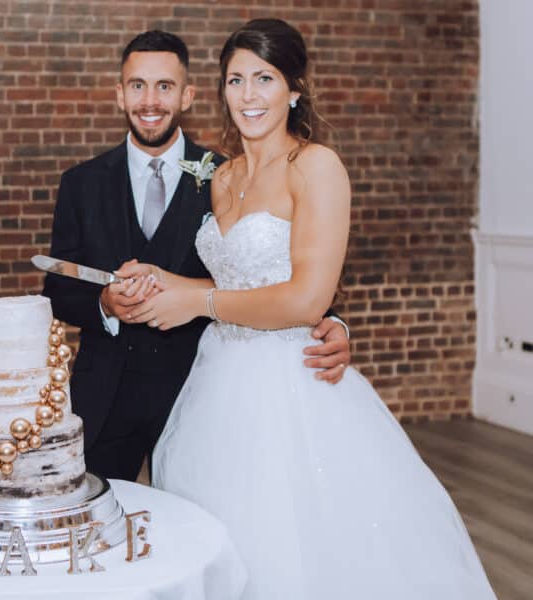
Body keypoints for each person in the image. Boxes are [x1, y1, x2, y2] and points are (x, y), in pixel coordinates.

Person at [119, 19, 496, 600]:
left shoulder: (315, 166)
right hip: (215, 383)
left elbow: (307, 298)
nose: (248, 95)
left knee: (296, 539)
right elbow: (230, 277)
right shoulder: (222, 177)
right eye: (235, 79)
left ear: (294, 88)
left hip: (290, 385)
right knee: (223, 529)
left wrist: (197, 300)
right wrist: (165, 280)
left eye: (264, 78)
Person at [42, 30, 350, 483]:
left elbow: (287, 270)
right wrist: (107, 302)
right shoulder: (85, 182)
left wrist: (332, 322)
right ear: (120, 94)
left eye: (165, 86)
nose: (151, 101)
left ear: (187, 96)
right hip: (109, 397)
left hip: (197, 388)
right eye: (137, 85)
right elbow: (58, 288)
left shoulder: (217, 174)